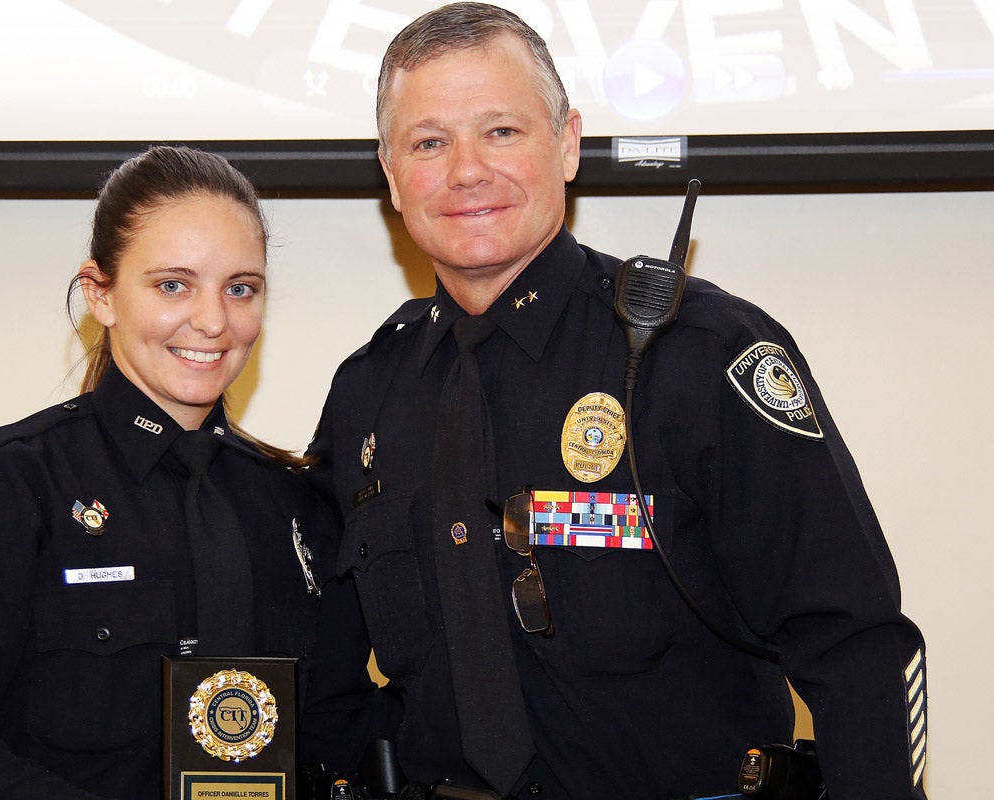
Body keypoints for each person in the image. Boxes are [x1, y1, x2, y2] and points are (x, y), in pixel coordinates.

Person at [307, 4, 929, 800]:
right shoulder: (368, 392)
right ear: (391, 173)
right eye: (429, 142)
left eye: (501, 131)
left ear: (566, 142)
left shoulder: (700, 354)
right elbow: (321, 666)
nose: (466, 170)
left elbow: (853, 642)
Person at [0, 145, 374, 799]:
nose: (214, 321)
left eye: (240, 288)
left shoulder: (297, 507)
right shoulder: (12, 488)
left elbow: (338, 732)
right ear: (99, 293)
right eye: (173, 285)